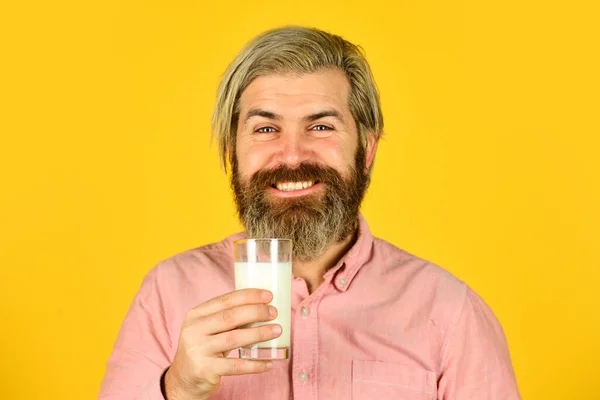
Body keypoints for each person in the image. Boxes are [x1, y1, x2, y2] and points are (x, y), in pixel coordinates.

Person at [98, 26, 521, 400]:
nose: (293, 154)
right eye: (266, 128)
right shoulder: (167, 295)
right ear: (232, 151)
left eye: (321, 126)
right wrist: (177, 390)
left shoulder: (450, 312)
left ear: (366, 149)